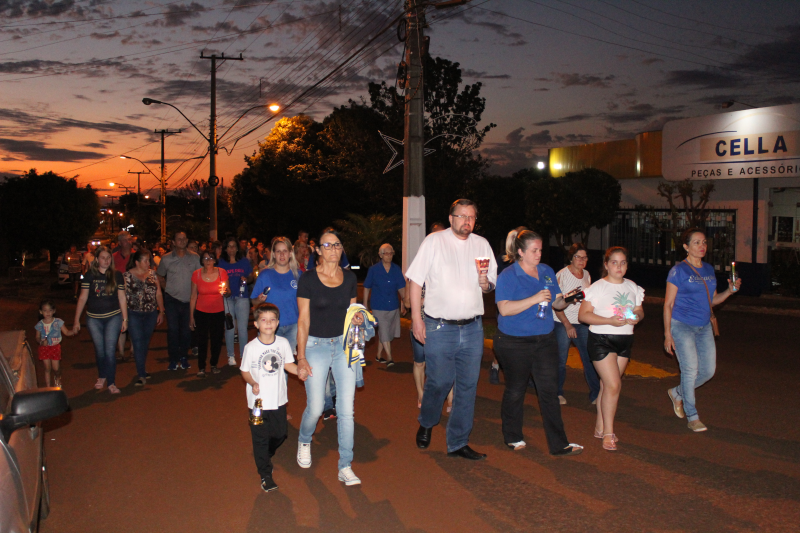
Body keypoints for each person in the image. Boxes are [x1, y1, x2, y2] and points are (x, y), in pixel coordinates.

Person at [406, 199, 496, 461]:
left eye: (471, 217)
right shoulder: (434, 242)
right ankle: (427, 421)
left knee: (467, 386)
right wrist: (416, 318)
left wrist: (485, 283)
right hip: (439, 326)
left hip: (472, 328)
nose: (467, 221)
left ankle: (458, 442)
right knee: (440, 381)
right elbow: (415, 281)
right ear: (451, 217)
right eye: (461, 216)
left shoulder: (482, 245)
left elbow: (491, 285)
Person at [493, 230, 583, 455]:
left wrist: (567, 300)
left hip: (544, 340)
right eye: (534, 250)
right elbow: (504, 308)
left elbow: (556, 303)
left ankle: (559, 444)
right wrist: (534, 299)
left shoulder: (546, 271)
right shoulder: (508, 275)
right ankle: (513, 436)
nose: (539, 254)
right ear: (520, 252)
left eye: (541, 250)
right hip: (514, 342)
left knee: (549, 392)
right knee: (516, 389)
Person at [295, 229, 362, 485]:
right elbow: (303, 320)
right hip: (316, 346)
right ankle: (304, 439)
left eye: (337, 245)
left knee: (346, 410)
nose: (333, 249)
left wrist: (356, 341)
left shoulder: (349, 278)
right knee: (315, 407)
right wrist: (301, 357)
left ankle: (345, 465)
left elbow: (354, 316)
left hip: (344, 347)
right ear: (319, 251)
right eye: (328, 245)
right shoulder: (308, 280)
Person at [664, 228, 741, 432]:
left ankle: (677, 393)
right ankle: (692, 415)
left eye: (704, 242)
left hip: (704, 325)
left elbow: (712, 300)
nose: (702, 246)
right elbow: (668, 305)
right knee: (690, 370)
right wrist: (667, 333)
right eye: (696, 242)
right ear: (686, 247)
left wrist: (729, 291)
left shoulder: (708, 269)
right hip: (681, 326)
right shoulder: (678, 271)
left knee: (708, 371)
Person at [578, 246, 644, 451]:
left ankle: (600, 426)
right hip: (601, 340)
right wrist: (609, 320)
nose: (619, 266)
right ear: (606, 265)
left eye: (623, 262)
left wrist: (635, 317)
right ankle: (609, 432)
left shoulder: (633, 287)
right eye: (614, 262)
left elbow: (639, 311)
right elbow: (583, 315)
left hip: (625, 340)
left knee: (608, 386)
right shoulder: (597, 287)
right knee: (614, 385)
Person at [240, 303, 304, 492]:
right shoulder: (251, 347)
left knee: (280, 433)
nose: (268, 323)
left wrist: (301, 371)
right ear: (256, 324)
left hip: (278, 400)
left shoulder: (282, 343)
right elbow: (244, 371)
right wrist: (253, 383)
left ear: (277, 323)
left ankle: (264, 453)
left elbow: (288, 365)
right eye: (263, 320)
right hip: (257, 402)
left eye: (272, 320)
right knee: (259, 437)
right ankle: (265, 474)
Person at [405, 222, 453, 410]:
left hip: (444, 325)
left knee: (446, 363)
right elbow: (408, 303)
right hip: (421, 324)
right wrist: (423, 301)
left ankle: (450, 397)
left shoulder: (449, 268)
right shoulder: (418, 267)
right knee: (420, 363)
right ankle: (421, 394)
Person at [72, 246, 128, 394]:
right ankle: (102, 376)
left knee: (110, 351)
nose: (106, 260)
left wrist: (125, 318)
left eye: (108, 258)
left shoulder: (117, 275)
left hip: (113, 317)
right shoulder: (90, 275)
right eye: (103, 257)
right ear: (97, 259)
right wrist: (77, 319)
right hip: (94, 319)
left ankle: (111, 382)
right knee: (100, 350)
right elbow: (83, 297)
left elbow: (122, 297)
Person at [553, 243, 600, 405]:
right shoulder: (561, 275)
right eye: (577, 257)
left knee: (590, 358)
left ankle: (596, 394)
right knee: (560, 359)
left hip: (581, 322)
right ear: (571, 258)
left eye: (584, 257)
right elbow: (556, 304)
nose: (581, 260)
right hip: (562, 322)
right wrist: (567, 325)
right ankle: (557, 392)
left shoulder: (587, 275)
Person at [251, 237, 300, 356]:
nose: (282, 254)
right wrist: (260, 299)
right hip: (270, 325)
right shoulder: (265, 275)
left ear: (290, 253)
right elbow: (254, 302)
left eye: (285, 251)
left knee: (286, 363)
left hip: (293, 326)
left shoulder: (298, 275)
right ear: (273, 254)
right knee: (270, 362)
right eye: (278, 251)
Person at [157, 231, 198, 371]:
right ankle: (173, 358)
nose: (182, 241)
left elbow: (199, 277)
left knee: (186, 330)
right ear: (173, 242)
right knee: (173, 330)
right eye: (178, 239)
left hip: (189, 300)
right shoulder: (166, 258)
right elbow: (160, 276)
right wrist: (166, 289)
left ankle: (184, 357)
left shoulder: (195, 258)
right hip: (172, 299)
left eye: (184, 239)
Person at [124, 248, 165, 386]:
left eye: (149, 260)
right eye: (146, 260)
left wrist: (161, 311)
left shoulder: (152, 274)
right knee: (138, 342)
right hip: (133, 313)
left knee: (145, 343)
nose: (149, 263)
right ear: (137, 262)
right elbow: (122, 298)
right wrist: (123, 316)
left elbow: (158, 293)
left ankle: (142, 369)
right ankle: (141, 374)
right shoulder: (127, 276)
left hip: (150, 313)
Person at [363, 243, 406, 367]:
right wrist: (365, 303)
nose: (389, 255)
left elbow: (401, 287)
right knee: (384, 329)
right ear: (380, 255)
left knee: (387, 332)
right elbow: (366, 287)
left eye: (391, 253)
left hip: (393, 305)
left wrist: (404, 303)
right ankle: (390, 358)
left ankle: (378, 355)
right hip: (378, 306)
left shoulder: (396, 269)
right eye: (386, 253)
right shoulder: (374, 270)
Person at [190, 250, 230, 377]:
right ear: (201, 260)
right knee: (201, 340)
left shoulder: (221, 273)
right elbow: (193, 296)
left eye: (211, 258)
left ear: (215, 260)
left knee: (216, 340)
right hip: (201, 311)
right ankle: (201, 367)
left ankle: (214, 364)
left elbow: (228, 292)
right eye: (206, 258)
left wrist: (225, 291)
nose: (208, 261)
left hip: (218, 311)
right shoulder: (196, 274)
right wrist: (191, 316)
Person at [219, 236, 254, 366]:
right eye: (229, 246)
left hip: (242, 297)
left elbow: (251, 277)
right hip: (227, 298)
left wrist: (247, 279)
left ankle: (243, 356)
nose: (231, 249)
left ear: (237, 248)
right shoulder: (221, 262)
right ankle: (231, 356)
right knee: (229, 327)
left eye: (234, 246)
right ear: (225, 249)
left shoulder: (244, 261)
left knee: (242, 328)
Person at [35, 299, 74, 387]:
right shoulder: (40, 324)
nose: (47, 312)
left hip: (55, 347)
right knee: (47, 368)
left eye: (50, 310)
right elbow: (37, 337)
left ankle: (57, 377)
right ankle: (48, 387)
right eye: (45, 310)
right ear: (41, 312)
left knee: (56, 368)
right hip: (44, 348)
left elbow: (66, 332)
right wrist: (41, 342)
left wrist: (73, 331)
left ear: (54, 311)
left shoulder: (58, 322)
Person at [112, 231, 133, 361]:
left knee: (134, 323)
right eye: (126, 240)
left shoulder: (136, 256)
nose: (129, 242)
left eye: (130, 239)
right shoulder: (113, 257)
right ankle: (121, 351)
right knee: (121, 323)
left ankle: (133, 350)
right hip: (118, 294)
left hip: (134, 294)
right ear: (120, 242)